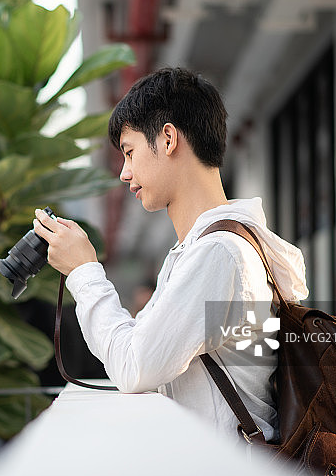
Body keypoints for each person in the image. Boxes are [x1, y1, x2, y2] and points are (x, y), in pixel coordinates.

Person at [32, 67, 308, 443]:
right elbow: (138, 347)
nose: (124, 174)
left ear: (167, 138)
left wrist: (84, 271)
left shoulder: (219, 254)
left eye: (129, 153)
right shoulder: (204, 249)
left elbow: (134, 367)